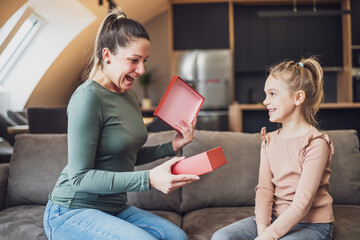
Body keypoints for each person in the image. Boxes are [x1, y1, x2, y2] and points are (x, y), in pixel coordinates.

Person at [43, 9, 199, 240]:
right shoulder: (87, 98)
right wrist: (148, 179)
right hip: (71, 210)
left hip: (113, 208)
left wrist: (173, 145)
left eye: (144, 61)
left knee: (178, 238)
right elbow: (79, 177)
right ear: (107, 55)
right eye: (134, 60)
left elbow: (126, 155)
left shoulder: (128, 97)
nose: (142, 70)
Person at [212, 57, 334, 240]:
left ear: (298, 97)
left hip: (312, 224)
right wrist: (263, 230)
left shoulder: (316, 143)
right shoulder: (269, 140)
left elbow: (302, 203)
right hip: (275, 219)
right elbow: (264, 190)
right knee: (221, 237)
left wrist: (270, 236)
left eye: (273, 94)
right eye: (266, 94)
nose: (265, 101)